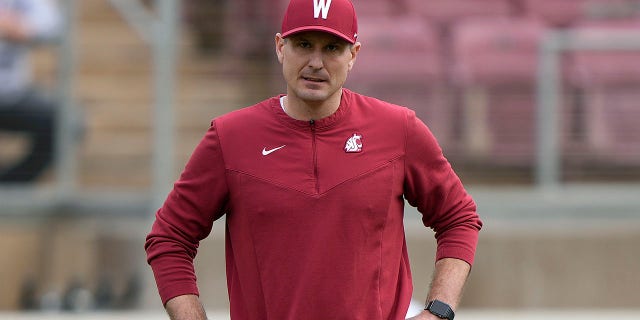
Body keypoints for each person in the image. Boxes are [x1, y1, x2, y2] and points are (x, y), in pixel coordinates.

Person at [145, 0, 483, 319]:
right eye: (303, 44)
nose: (316, 63)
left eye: (332, 48)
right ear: (280, 47)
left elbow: (459, 218)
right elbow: (169, 237)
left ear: (354, 55)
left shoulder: (398, 130)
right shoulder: (231, 137)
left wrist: (439, 310)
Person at [0, 0, 62, 183]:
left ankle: (9, 187)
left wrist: (18, 26)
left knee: (65, 121)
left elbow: (52, 23)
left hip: (11, 94)